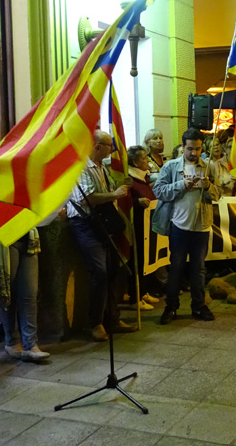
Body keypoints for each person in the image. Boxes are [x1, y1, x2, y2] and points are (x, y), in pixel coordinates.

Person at [66, 130, 137, 341]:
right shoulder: (82, 168)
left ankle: (112, 318)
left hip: (102, 223)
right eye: (108, 145)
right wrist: (114, 194)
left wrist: (120, 187)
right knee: (100, 270)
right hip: (85, 224)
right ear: (97, 146)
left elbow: (105, 193)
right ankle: (94, 322)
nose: (112, 149)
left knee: (113, 268)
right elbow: (88, 197)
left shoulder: (102, 168)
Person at [153, 128, 221, 324]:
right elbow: (159, 191)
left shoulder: (209, 167)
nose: (194, 153)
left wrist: (208, 186)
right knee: (176, 267)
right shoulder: (171, 167)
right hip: (179, 224)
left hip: (202, 225)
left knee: (199, 269)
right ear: (183, 147)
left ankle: (198, 305)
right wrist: (181, 185)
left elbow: (217, 195)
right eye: (190, 149)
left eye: (198, 149)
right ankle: (171, 306)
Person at [0, 220, 50, 361]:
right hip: (5, 244)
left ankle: (31, 345)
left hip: (29, 240)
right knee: (7, 295)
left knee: (30, 295)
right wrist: (11, 227)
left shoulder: (28, 198)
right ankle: (12, 341)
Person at [120, 145, 161, 309]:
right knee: (136, 260)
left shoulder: (144, 178)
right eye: (144, 158)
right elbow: (124, 201)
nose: (148, 161)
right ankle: (134, 297)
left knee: (146, 259)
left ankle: (143, 291)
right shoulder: (130, 180)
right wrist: (137, 202)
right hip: (135, 227)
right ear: (135, 163)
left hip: (147, 226)